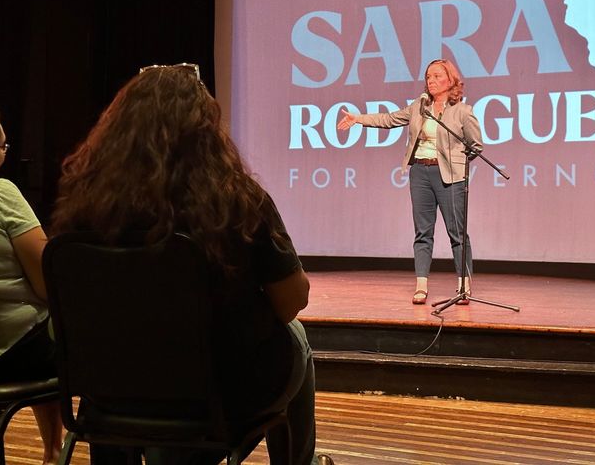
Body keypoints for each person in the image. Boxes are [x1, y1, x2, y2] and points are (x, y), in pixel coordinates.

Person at [49, 64, 334, 465]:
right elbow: (290, 302)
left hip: (110, 394)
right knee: (297, 336)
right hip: (212, 401)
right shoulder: (237, 199)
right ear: (206, 131)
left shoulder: (83, 205)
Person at [337, 59, 483, 305]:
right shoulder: (419, 106)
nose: (432, 81)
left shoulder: (462, 111)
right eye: (428, 77)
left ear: (450, 80)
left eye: (437, 76)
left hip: (449, 176)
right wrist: (358, 119)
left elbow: (475, 146)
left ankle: (463, 286)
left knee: (457, 232)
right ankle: (421, 285)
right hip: (420, 173)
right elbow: (390, 119)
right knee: (423, 232)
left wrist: (456, 163)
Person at [0, 101, 63, 465]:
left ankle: (54, 449)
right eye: (3, 147)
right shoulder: (0, 194)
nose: (6, 155)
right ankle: (58, 451)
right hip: (10, 357)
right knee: (80, 335)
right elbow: (47, 285)